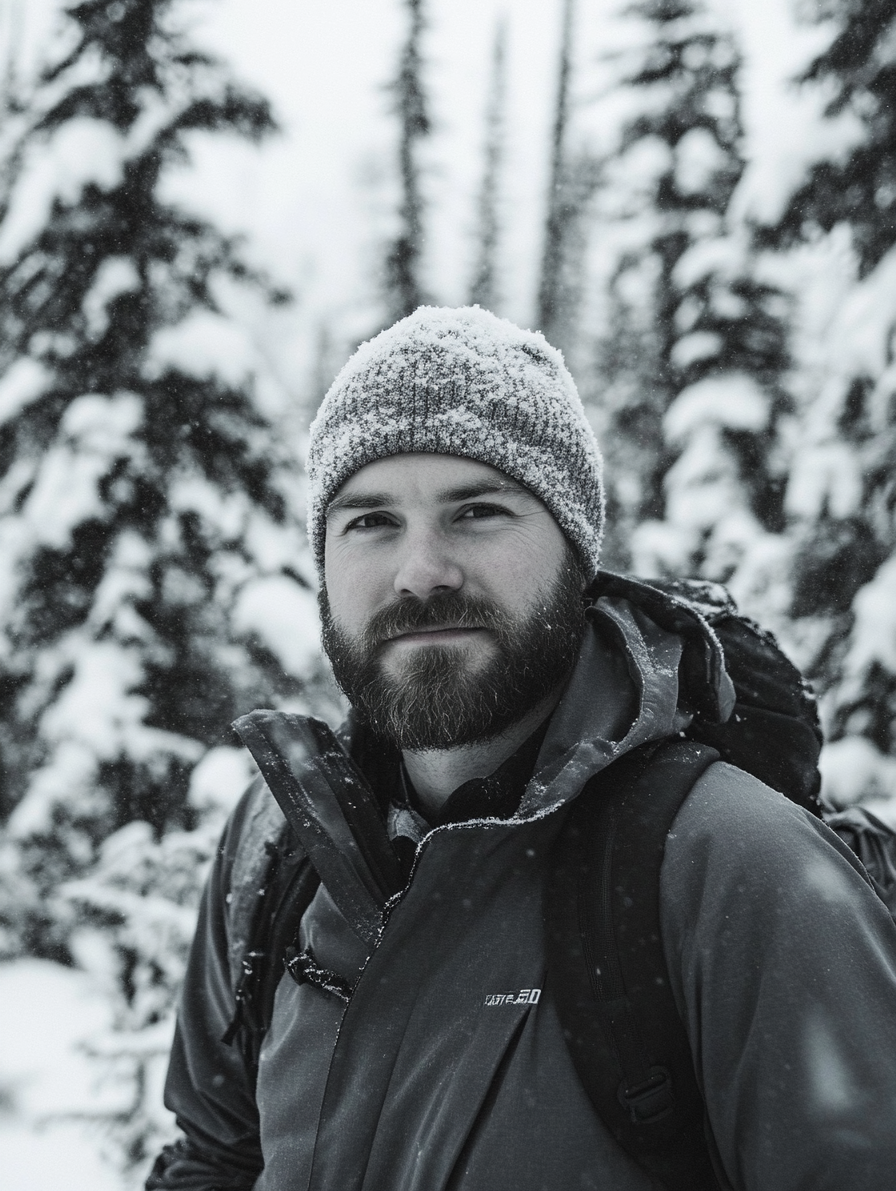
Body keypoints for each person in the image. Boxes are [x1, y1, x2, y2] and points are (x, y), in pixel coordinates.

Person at [148, 306, 896, 1191]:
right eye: (369, 522)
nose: (421, 569)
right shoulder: (277, 841)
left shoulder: (732, 868)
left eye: (478, 511)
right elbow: (216, 1159)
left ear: (578, 559)